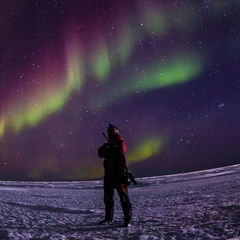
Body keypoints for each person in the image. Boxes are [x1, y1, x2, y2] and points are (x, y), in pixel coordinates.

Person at [98, 123, 132, 227]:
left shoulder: (121, 142)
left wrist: (109, 149)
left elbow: (119, 152)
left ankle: (128, 220)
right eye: (111, 131)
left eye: (115, 131)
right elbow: (100, 152)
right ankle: (109, 218)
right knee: (108, 198)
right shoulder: (107, 145)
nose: (113, 132)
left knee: (124, 198)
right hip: (109, 177)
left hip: (120, 176)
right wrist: (109, 149)